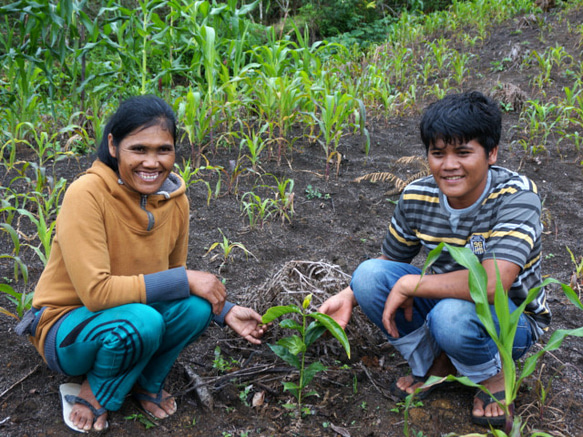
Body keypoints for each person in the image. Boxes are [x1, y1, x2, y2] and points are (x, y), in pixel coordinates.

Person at [17, 95, 267, 432]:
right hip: (67, 328)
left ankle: (144, 382)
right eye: (139, 149)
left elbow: (172, 284)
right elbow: (96, 293)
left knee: (194, 309)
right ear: (114, 145)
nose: (152, 162)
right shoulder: (87, 194)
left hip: (131, 315)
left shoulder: (176, 203)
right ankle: (95, 393)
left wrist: (224, 310)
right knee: (143, 321)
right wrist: (187, 280)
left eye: (163, 149)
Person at [319, 91, 550, 427]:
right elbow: (388, 260)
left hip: (510, 320)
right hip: (444, 304)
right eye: (438, 153)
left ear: (492, 153)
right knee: (367, 275)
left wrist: (414, 283)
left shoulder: (516, 196)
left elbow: (492, 284)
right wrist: (349, 294)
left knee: (452, 316)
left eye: (463, 152)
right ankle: (439, 360)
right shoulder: (417, 196)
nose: (449, 165)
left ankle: (495, 373)